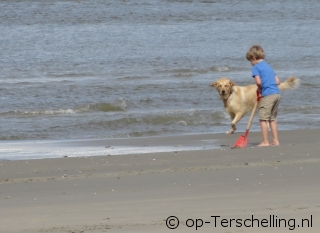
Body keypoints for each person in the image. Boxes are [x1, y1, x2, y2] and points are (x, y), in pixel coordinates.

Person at [246, 45, 281, 146]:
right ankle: (275, 140)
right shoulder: (268, 66)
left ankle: (265, 141)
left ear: (254, 58)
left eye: (250, 61)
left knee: (263, 118)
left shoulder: (256, 67)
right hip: (277, 93)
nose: (251, 64)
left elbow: (258, 82)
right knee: (272, 118)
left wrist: (260, 89)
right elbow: (278, 81)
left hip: (268, 94)